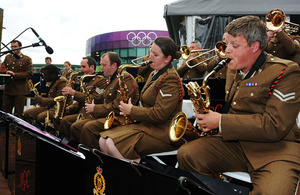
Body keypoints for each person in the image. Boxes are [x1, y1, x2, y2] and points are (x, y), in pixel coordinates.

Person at [177, 16, 300, 194]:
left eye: (234, 46)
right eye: (226, 44)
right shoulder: (232, 69)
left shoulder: (286, 71)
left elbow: (275, 126)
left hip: (276, 151)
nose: (226, 50)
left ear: (255, 47)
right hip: (236, 145)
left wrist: (220, 122)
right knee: (187, 155)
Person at [98, 37, 185, 162]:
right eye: (150, 52)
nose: (150, 57)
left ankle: (133, 175)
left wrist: (132, 110)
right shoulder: (154, 73)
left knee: (112, 144)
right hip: (149, 126)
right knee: (103, 140)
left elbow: (159, 115)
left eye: (155, 54)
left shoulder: (170, 78)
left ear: (167, 59)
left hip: (163, 132)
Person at [66, 52, 139, 148]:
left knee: (89, 127)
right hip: (109, 114)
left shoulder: (124, 78)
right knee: (76, 127)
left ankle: (95, 157)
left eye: (104, 65)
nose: (101, 68)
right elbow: (103, 97)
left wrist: (95, 108)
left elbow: (118, 106)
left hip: (121, 117)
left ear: (114, 65)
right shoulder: (112, 79)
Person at [58, 57, 107, 137]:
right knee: (64, 120)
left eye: (84, 67)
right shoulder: (84, 80)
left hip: (91, 114)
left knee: (74, 126)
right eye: (81, 67)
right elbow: (80, 101)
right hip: (82, 112)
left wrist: (74, 93)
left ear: (92, 67)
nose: (81, 69)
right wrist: (70, 108)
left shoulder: (100, 80)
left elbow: (95, 98)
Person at [23, 65, 72, 129]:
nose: (43, 76)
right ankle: (31, 135)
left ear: (53, 75)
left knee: (41, 117)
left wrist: (42, 100)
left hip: (60, 110)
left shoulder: (62, 83)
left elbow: (59, 100)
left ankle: (46, 135)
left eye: (45, 74)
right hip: (50, 107)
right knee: (27, 113)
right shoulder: (53, 81)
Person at [0, 40, 33, 117]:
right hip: (8, 89)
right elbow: (4, 70)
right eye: (11, 47)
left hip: (20, 90)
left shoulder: (26, 59)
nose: (13, 48)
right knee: (5, 112)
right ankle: (6, 128)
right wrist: (2, 71)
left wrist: (15, 74)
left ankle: (16, 129)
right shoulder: (8, 57)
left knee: (18, 114)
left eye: (15, 46)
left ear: (20, 47)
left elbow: (29, 73)